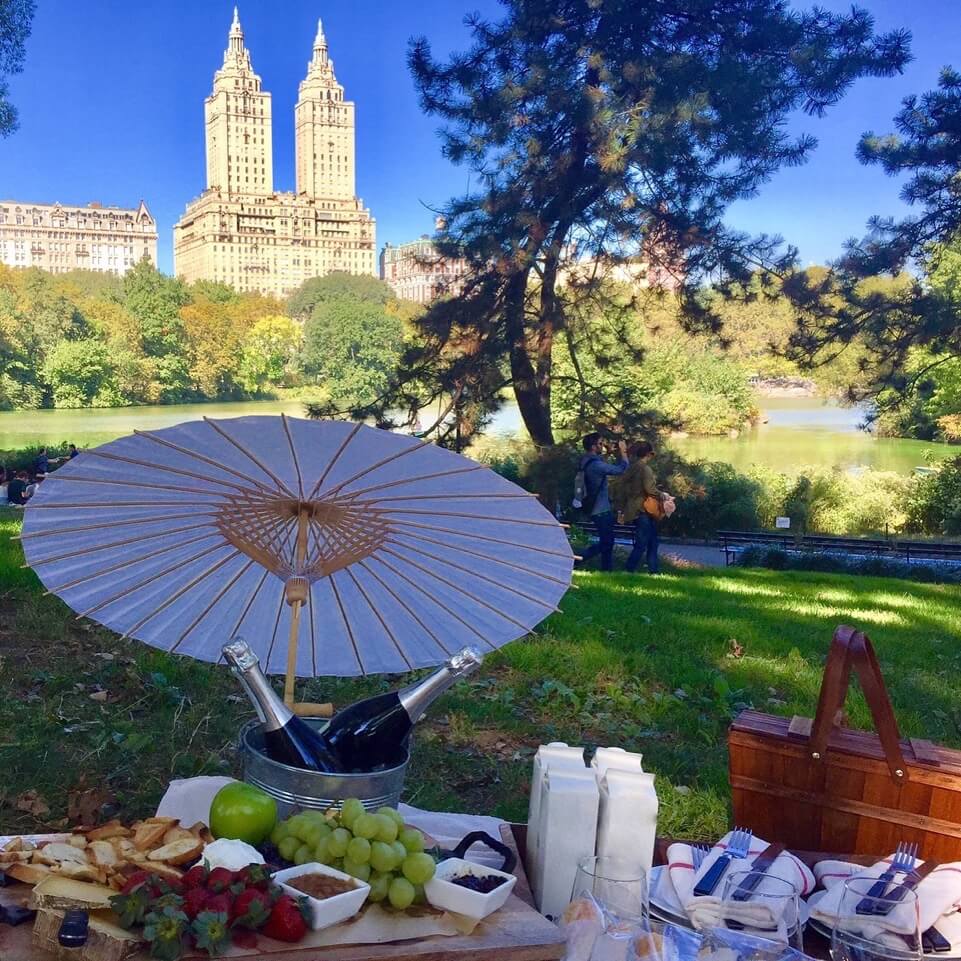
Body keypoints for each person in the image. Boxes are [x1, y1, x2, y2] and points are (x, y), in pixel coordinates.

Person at [576, 433, 629, 572]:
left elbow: (599, 464)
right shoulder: (596, 465)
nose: (602, 446)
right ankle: (577, 559)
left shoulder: (586, 460)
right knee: (607, 542)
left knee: (607, 541)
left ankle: (607, 570)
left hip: (595, 507)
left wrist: (609, 453)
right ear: (593, 447)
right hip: (600, 509)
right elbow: (621, 469)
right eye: (600, 444)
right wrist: (623, 452)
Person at [618, 441, 667, 574]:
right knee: (643, 542)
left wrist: (621, 508)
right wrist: (662, 495)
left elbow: (622, 486)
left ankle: (653, 570)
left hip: (632, 508)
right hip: (643, 509)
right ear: (648, 454)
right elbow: (650, 489)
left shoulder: (632, 468)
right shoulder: (645, 469)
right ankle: (629, 568)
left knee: (652, 541)